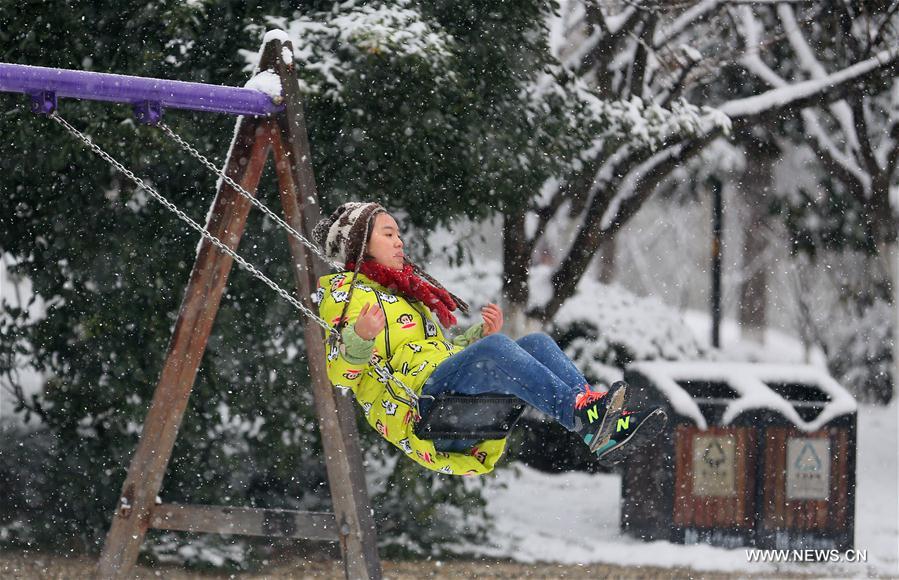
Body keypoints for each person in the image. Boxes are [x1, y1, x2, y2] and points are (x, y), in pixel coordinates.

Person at [312, 202, 667, 476]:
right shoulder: (346, 295)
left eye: (398, 234)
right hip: (420, 408)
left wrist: (475, 338)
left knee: (537, 342)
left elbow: (431, 356)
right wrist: (359, 337)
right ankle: (584, 417)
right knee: (497, 350)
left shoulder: (406, 296)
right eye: (388, 234)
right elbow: (341, 375)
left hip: (441, 390)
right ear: (359, 243)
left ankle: (594, 422)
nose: (399, 241)